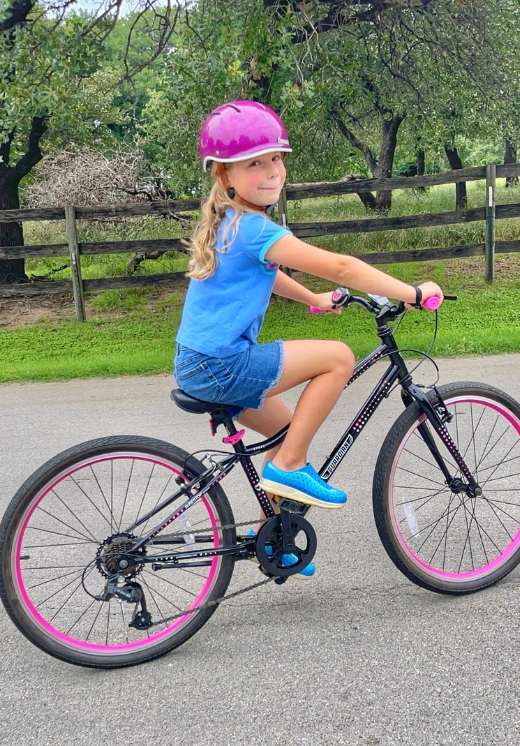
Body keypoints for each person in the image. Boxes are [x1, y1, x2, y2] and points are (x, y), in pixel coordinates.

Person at [174, 101, 442, 574]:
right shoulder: (255, 228)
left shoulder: (229, 223)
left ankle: (273, 544)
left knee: (283, 431)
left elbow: (267, 275)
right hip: (223, 365)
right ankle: (291, 467)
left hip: (199, 364)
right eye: (254, 162)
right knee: (338, 358)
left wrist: (312, 299)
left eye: (276, 158)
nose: (271, 170)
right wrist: (412, 292)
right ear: (224, 177)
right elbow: (342, 266)